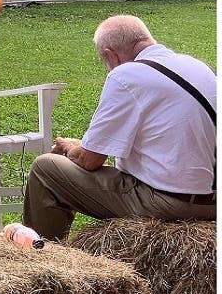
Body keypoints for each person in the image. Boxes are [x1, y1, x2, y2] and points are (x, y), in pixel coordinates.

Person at [23, 15, 216, 240]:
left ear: (110, 55)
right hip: (212, 203)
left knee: (45, 169)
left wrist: (70, 148)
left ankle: (44, 257)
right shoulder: (197, 66)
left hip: (171, 204)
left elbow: (90, 160)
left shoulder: (126, 75)